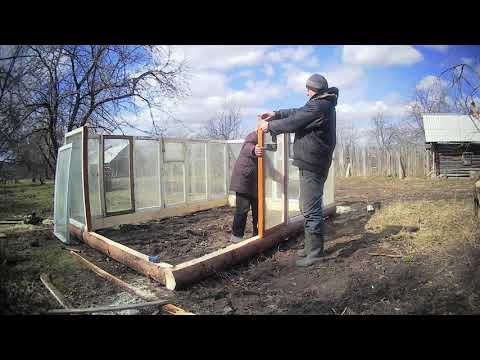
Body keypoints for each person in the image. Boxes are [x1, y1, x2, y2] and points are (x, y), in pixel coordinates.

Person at [258, 73, 338, 267]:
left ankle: (316, 253)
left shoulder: (319, 106)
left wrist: (270, 126)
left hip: (312, 163)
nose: (306, 91)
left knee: (311, 209)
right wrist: (276, 113)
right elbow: (297, 112)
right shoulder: (321, 103)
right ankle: (311, 248)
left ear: (315, 90)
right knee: (306, 206)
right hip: (311, 162)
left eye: (308, 88)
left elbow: (295, 121)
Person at [229, 131, 263, 243]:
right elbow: (247, 145)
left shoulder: (267, 139)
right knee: (242, 209)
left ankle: (257, 234)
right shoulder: (256, 134)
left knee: (258, 210)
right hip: (243, 180)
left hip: (254, 182)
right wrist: (254, 149)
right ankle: (236, 238)